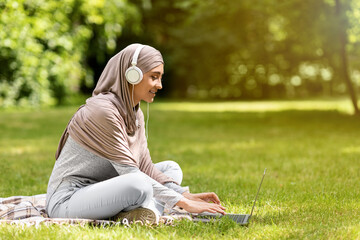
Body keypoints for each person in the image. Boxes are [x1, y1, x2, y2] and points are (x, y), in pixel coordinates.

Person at [45, 43, 226, 224]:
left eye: (160, 77)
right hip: (68, 200)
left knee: (171, 168)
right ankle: (147, 210)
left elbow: (145, 166)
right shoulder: (103, 111)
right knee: (139, 184)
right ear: (132, 75)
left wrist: (185, 195)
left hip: (106, 187)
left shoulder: (134, 112)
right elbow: (130, 172)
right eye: (154, 77)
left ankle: (139, 211)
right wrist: (184, 203)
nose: (160, 85)